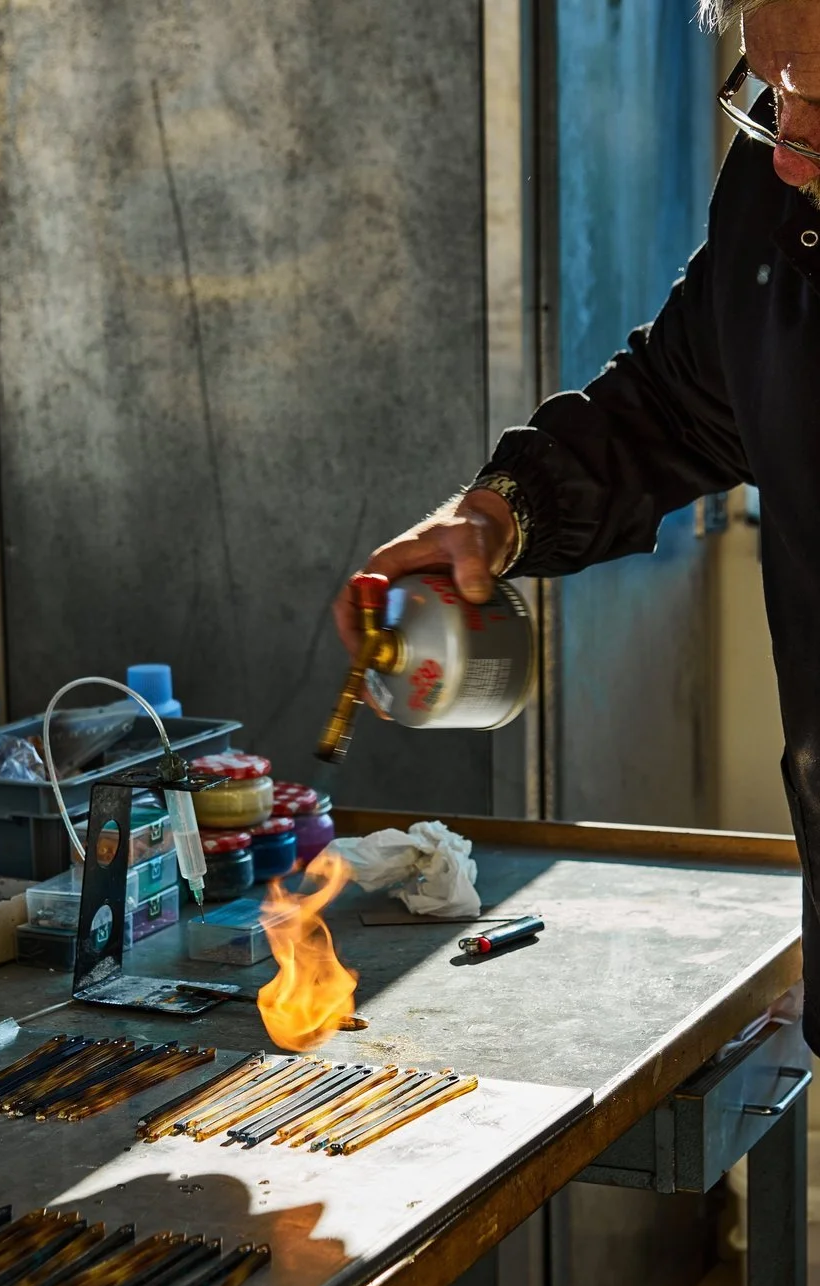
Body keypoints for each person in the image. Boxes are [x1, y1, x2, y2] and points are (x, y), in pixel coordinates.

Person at [334, 0, 820, 1052]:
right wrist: (501, 513)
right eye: (769, 92)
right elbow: (681, 402)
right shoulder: (783, 192)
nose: (787, 148)